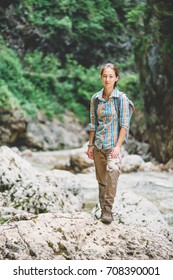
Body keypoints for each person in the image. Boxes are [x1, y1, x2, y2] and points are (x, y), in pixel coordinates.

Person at [87, 63, 134, 224]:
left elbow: (124, 125)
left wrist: (118, 146)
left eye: (111, 76)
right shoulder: (95, 98)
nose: (107, 79)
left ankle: (108, 210)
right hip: (98, 145)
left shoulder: (121, 99)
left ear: (116, 78)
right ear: (101, 77)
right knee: (101, 180)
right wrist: (90, 145)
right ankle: (102, 212)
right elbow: (93, 124)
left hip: (113, 145)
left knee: (113, 170)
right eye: (105, 76)